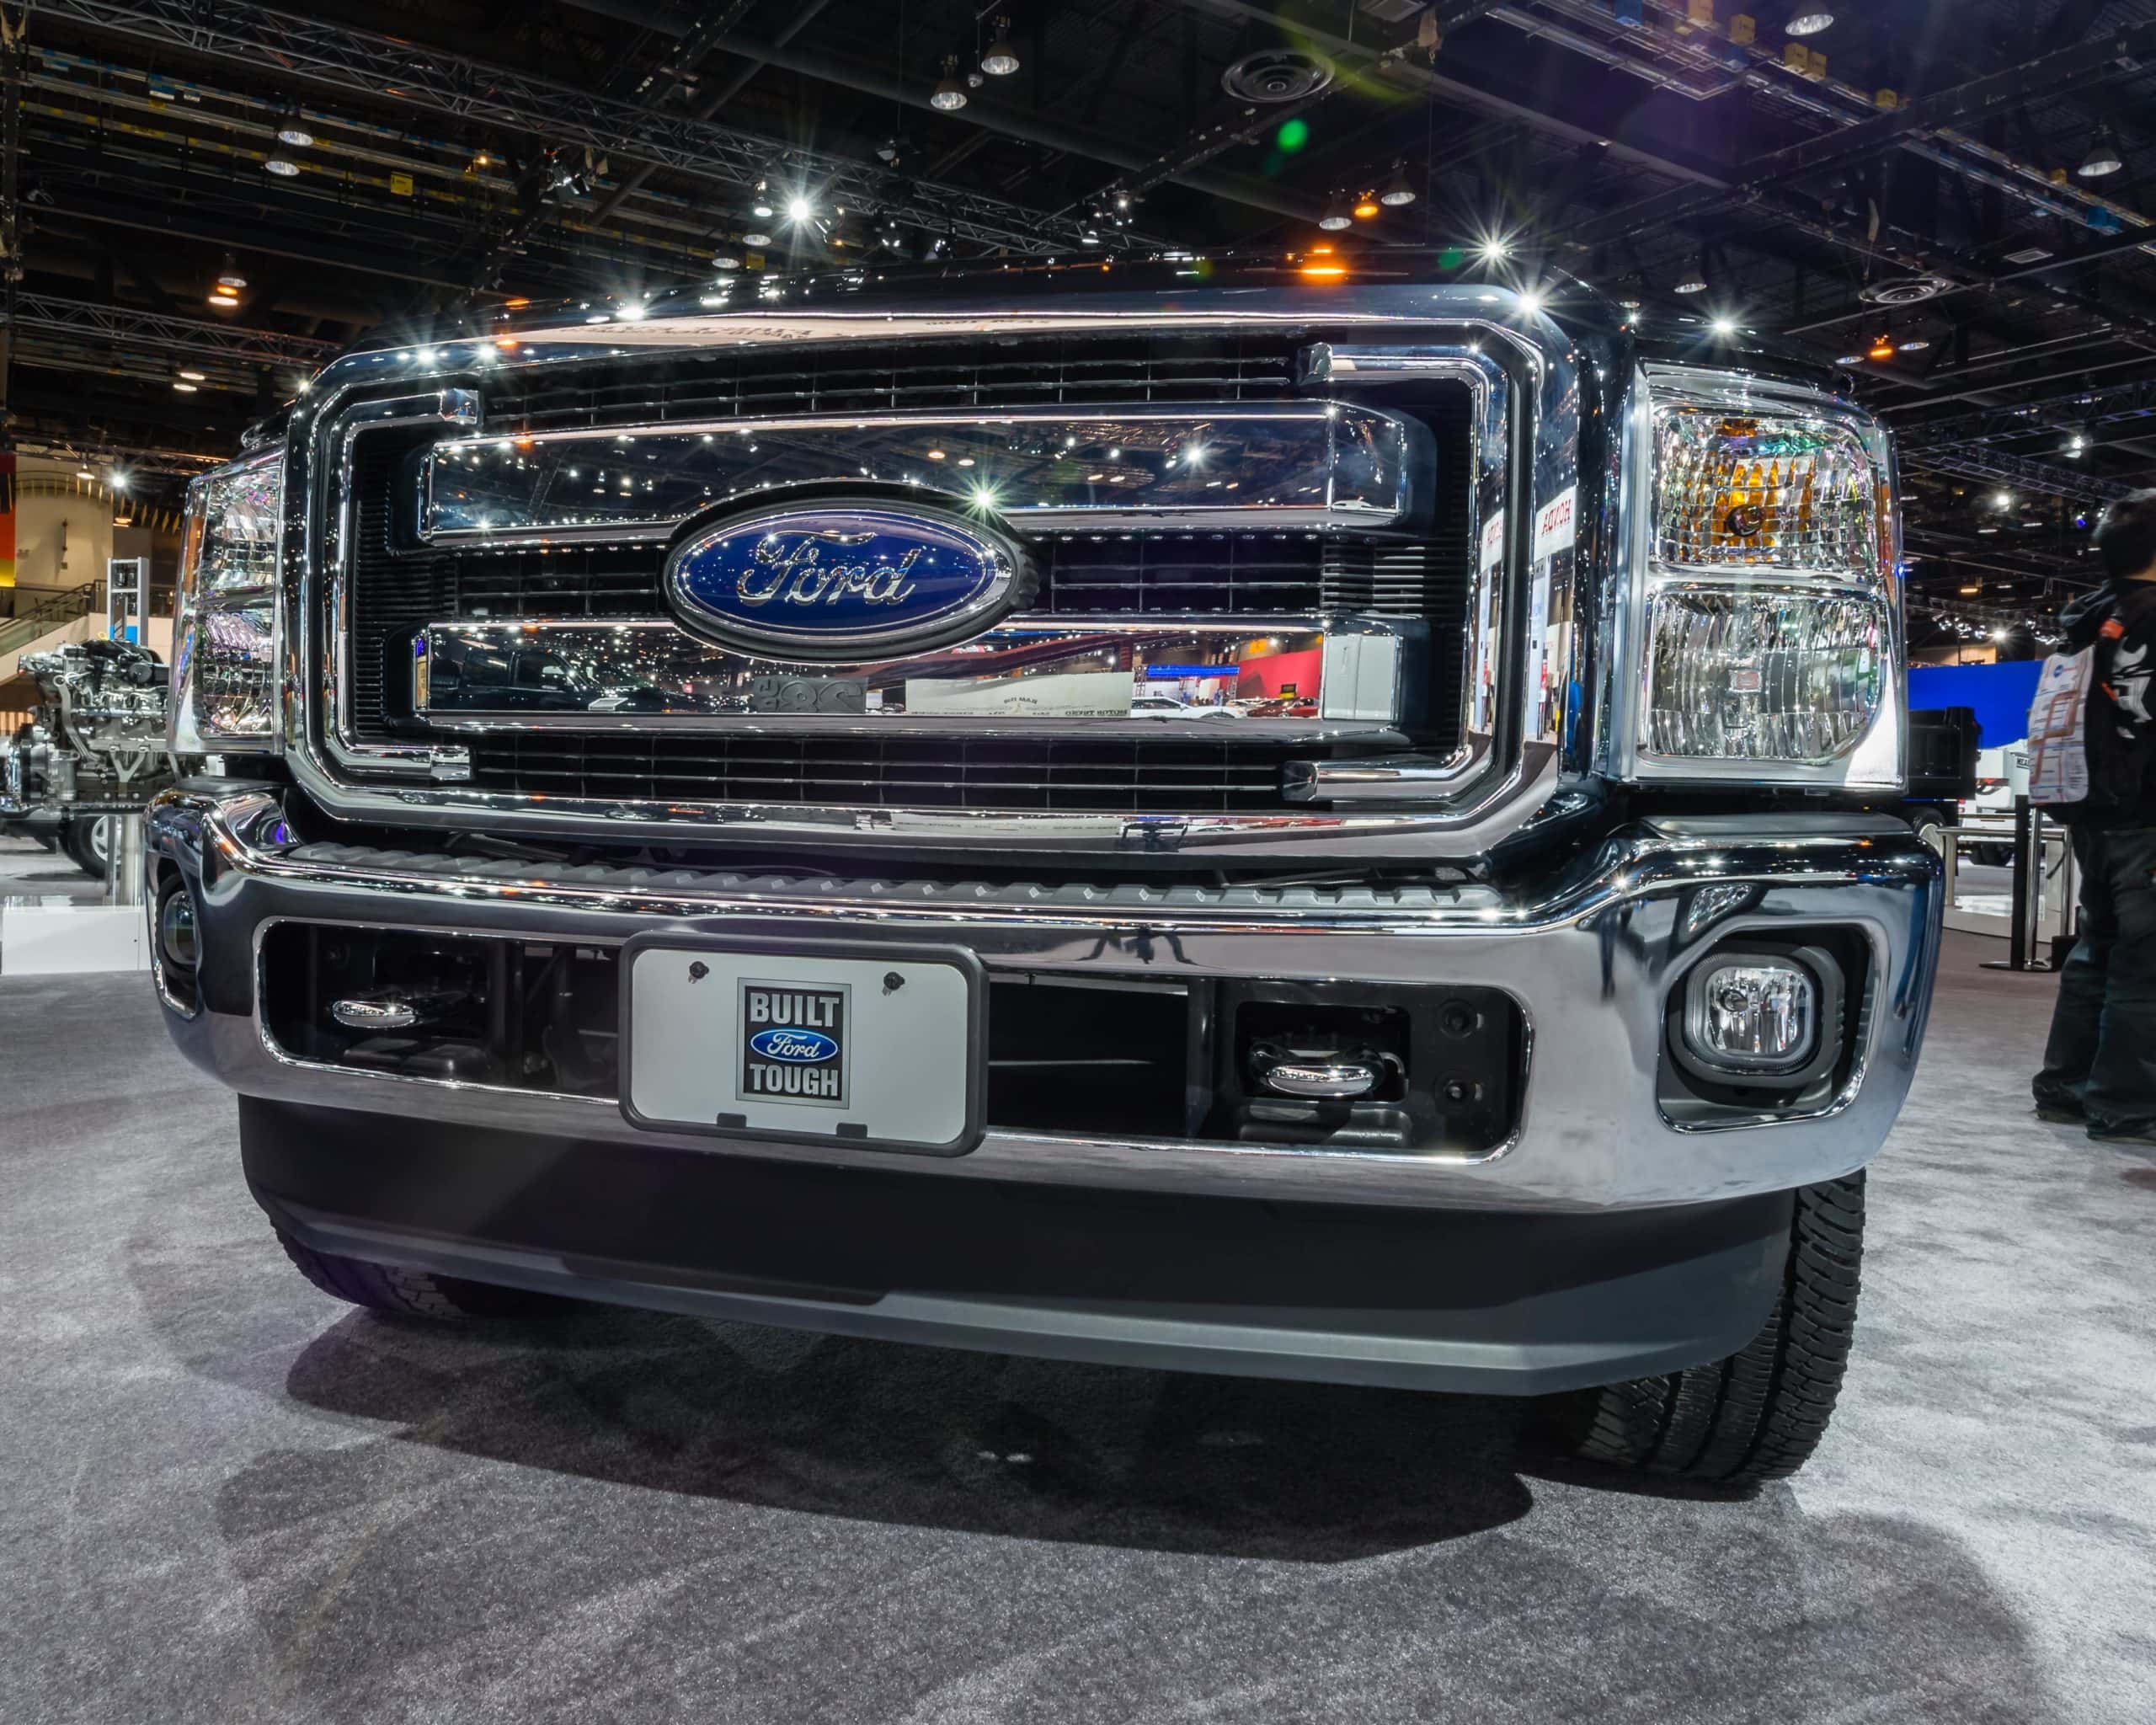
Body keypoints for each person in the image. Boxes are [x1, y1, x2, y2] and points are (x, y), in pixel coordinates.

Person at [2033, 488, 2156, 1144]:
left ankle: (2066, 1088)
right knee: (2145, 966)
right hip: (2146, 811)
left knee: (2096, 952)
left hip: (2094, 810)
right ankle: (2128, 1105)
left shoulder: (2086, 619)